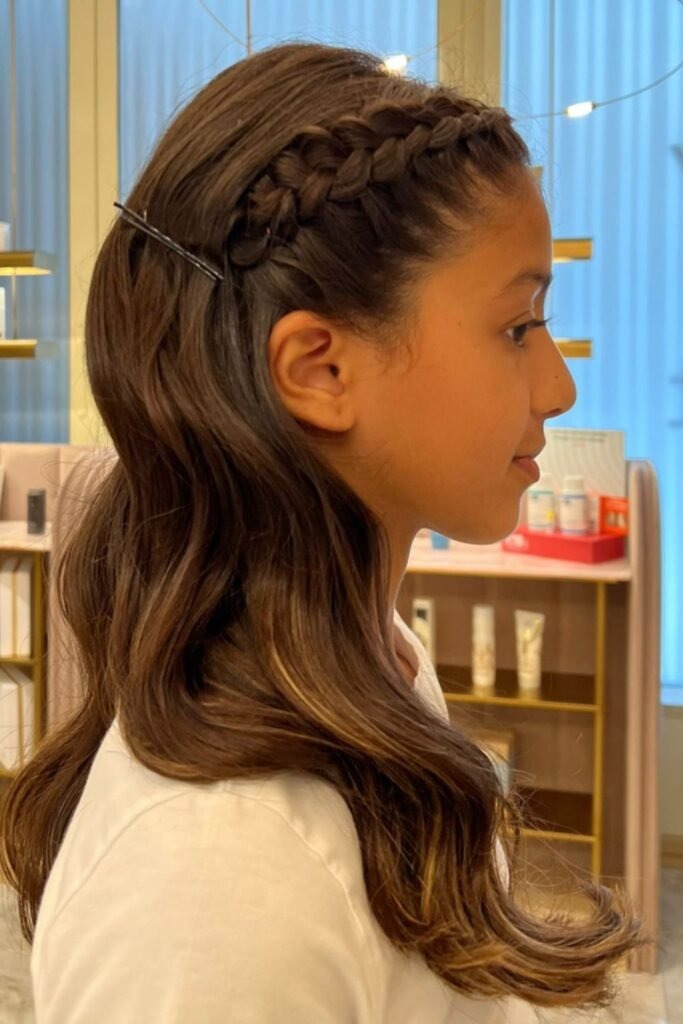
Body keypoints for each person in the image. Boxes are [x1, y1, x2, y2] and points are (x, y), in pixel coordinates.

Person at [0, 41, 647, 1023]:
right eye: (517, 326)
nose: (557, 386)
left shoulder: (373, 662)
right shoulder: (215, 892)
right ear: (319, 369)